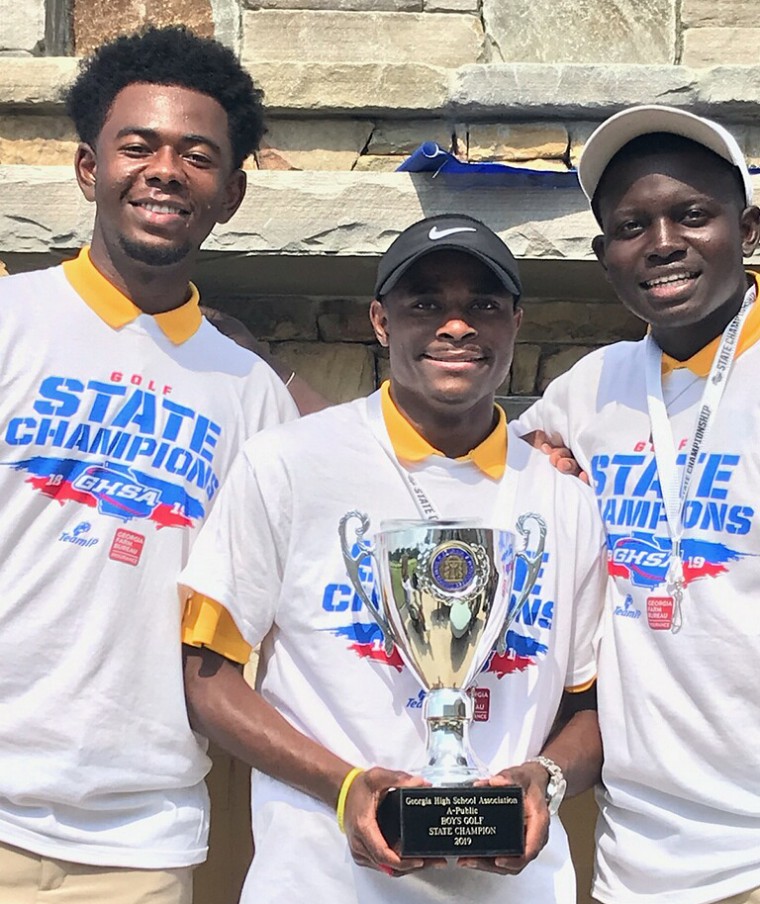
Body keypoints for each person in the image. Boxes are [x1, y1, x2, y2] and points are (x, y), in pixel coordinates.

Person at [179, 213, 608, 904]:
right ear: (380, 320)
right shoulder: (289, 464)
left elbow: (588, 708)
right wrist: (344, 788)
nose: (456, 325)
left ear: (516, 323)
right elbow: (206, 678)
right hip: (321, 885)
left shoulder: (565, 501)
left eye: (484, 305)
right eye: (426, 304)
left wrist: (546, 779)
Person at [0, 26, 298, 903]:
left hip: (141, 841)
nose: (165, 169)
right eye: (139, 145)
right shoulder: (11, 321)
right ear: (91, 168)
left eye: (196, 154)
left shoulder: (251, 395)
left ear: (232, 192)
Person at [518, 105, 760, 904]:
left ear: (749, 229)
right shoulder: (588, 390)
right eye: (631, 224)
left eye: (693, 215)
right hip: (635, 857)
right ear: (604, 257)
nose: (662, 242)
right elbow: (471, 476)